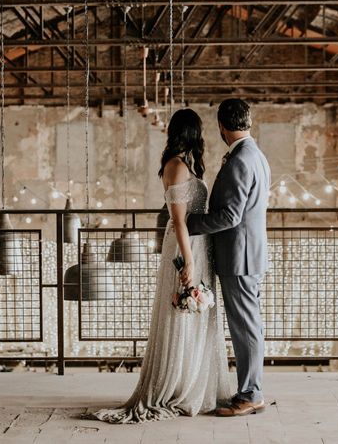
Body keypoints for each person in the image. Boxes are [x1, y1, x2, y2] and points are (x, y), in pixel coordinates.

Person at [91, 108, 235, 424]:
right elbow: (179, 221)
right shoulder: (176, 167)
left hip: (197, 244)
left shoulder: (185, 165)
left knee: (196, 317)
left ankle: (194, 381)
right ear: (193, 133)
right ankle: (177, 385)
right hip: (186, 245)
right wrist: (190, 262)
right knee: (182, 312)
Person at [186, 98, 271, 417]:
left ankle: (251, 393)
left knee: (245, 326)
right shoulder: (256, 155)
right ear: (248, 122)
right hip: (247, 253)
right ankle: (252, 389)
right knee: (249, 325)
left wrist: (190, 223)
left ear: (221, 126)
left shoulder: (239, 160)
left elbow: (231, 216)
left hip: (240, 255)